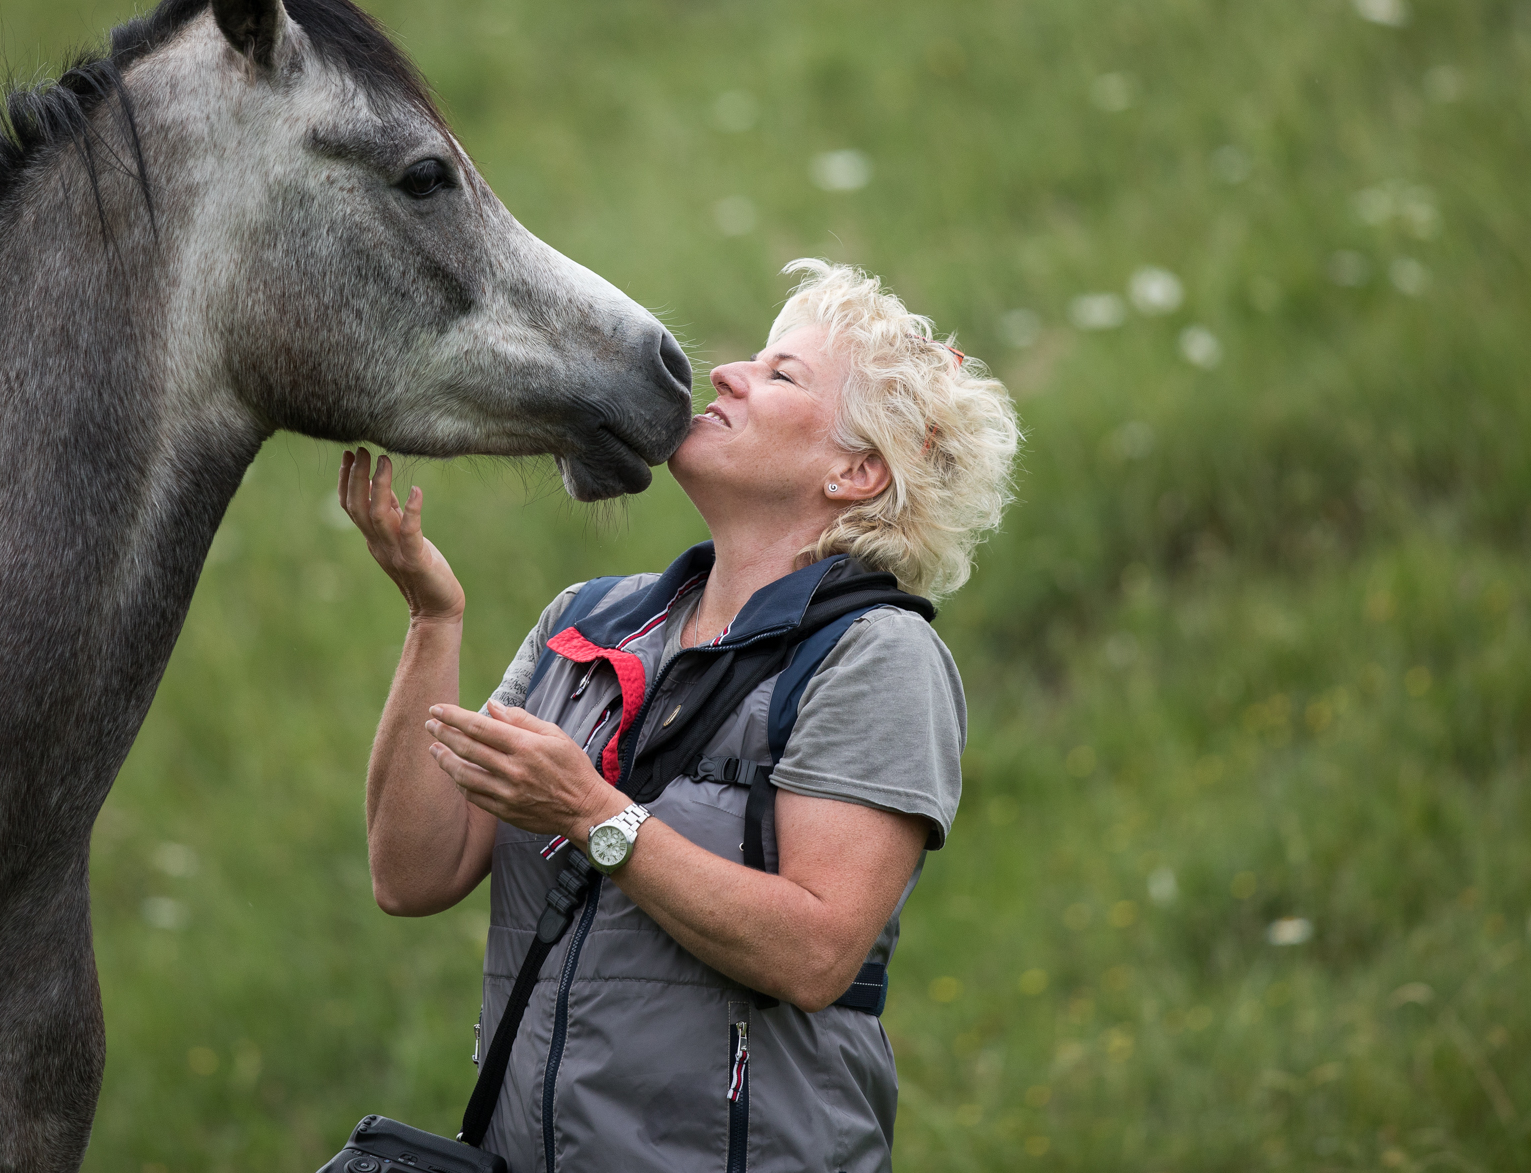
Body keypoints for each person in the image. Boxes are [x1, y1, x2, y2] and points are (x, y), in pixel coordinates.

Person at [339, 260, 1020, 1173]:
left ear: (856, 472)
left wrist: (592, 812)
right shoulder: (587, 621)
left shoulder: (878, 657)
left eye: (781, 374)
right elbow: (411, 873)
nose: (727, 373)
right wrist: (434, 619)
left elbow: (817, 952)